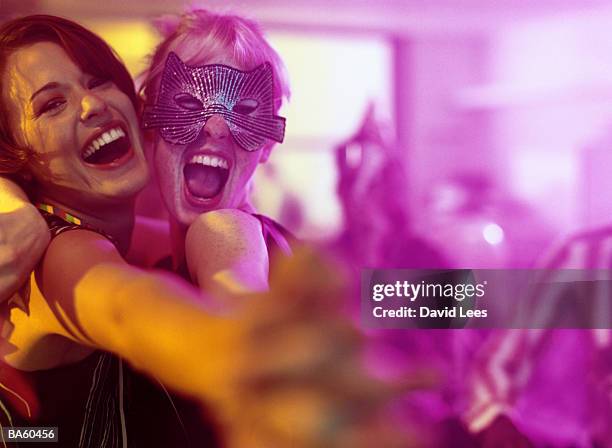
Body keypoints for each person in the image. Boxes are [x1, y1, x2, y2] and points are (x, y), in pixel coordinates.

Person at [0, 13, 416, 448]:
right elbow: (126, 303)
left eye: (245, 110)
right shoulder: (115, 248)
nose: (215, 127)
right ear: (150, 119)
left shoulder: (219, 230)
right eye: (187, 103)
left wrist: (250, 347)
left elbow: (229, 289)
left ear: (269, 142)